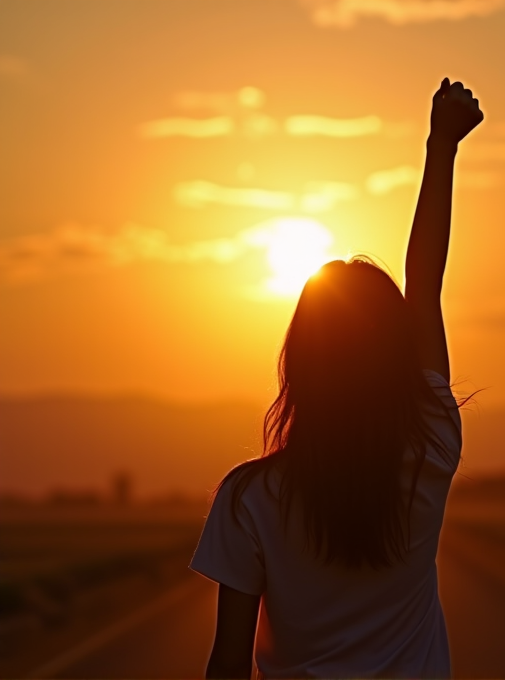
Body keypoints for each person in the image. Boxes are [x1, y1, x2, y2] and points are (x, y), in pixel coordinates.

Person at [190, 77, 484, 679]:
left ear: (299, 363)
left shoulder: (250, 498)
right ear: (398, 357)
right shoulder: (428, 450)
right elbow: (424, 287)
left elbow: (228, 662)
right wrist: (442, 147)